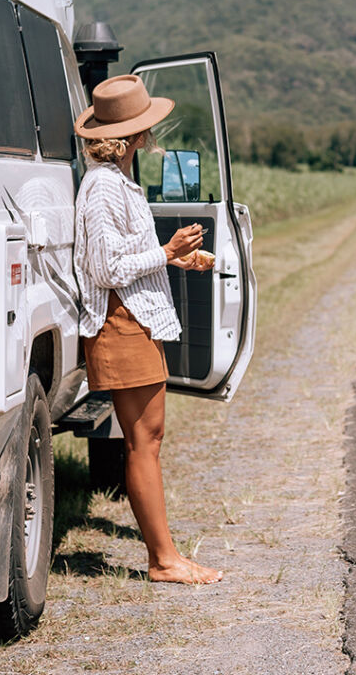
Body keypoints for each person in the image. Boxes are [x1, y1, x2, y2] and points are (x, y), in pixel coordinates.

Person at [73, 73, 223, 585]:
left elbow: (121, 258)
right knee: (143, 440)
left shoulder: (117, 183)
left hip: (133, 316)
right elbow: (102, 268)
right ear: (136, 135)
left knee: (148, 437)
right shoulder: (101, 189)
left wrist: (178, 261)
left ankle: (166, 556)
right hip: (121, 321)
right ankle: (164, 561)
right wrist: (165, 252)